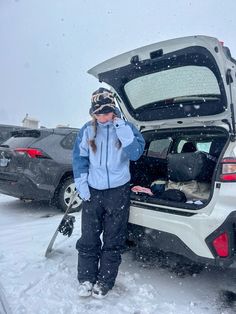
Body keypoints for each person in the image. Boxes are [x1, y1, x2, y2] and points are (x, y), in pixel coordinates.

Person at [72, 87, 145, 298]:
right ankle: (86, 279)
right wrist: (81, 184)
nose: (102, 117)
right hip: (93, 191)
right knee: (89, 237)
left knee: (113, 238)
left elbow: (136, 154)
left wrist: (123, 131)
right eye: (98, 113)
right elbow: (79, 159)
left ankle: (105, 281)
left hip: (118, 191)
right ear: (92, 112)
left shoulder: (127, 127)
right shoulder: (87, 130)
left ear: (113, 109)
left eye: (106, 112)